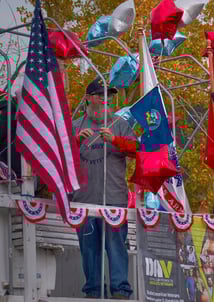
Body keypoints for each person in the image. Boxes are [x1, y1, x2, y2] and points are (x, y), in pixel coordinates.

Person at [73, 78, 137, 299]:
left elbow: (139, 150)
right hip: (83, 200)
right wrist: (74, 142)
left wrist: (117, 140)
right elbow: (60, 158)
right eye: (100, 95)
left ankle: (120, 290)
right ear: (88, 98)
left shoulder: (120, 124)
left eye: (109, 95)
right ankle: (94, 291)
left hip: (115, 198)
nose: (106, 99)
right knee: (89, 249)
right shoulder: (76, 124)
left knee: (116, 246)